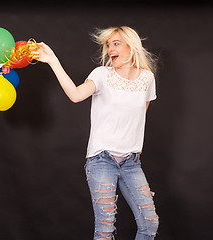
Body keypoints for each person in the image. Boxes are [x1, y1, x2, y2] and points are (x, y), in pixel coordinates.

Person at [33, 26, 159, 240]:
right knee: (105, 230)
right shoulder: (102, 75)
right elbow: (75, 95)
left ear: (132, 46)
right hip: (102, 161)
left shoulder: (147, 79)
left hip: (131, 163)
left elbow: (140, 116)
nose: (110, 49)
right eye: (108, 45)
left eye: (116, 43)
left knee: (150, 223)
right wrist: (53, 60)